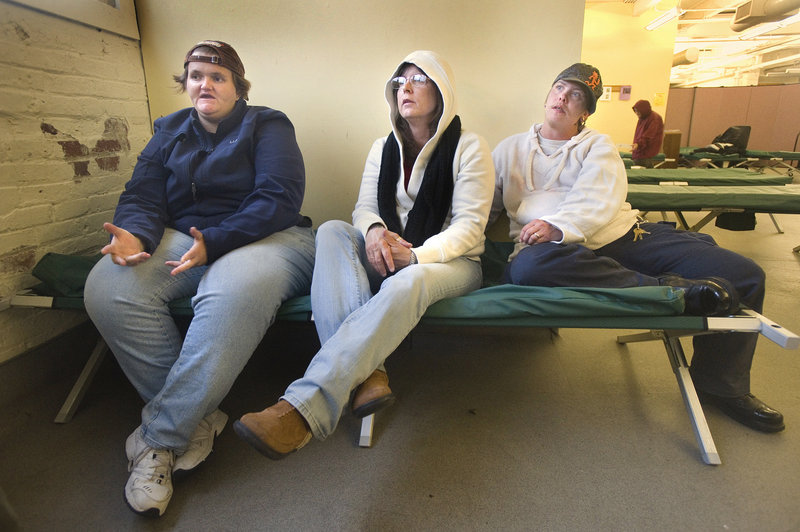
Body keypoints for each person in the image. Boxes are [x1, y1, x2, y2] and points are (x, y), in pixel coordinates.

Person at [83, 40, 315, 517]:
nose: (205, 83)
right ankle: (199, 419)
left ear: (237, 86)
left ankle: (159, 439)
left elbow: (279, 197)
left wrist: (218, 238)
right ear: (186, 84)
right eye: (196, 76)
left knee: (229, 289)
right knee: (107, 287)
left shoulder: (268, 124)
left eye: (218, 76)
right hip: (186, 239)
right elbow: (142, 195)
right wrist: (134, 235)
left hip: (266, 237)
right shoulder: (168, 130)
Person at [490, 63, 783, 434]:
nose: (564, 96)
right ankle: (677, 291)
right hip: (557, 257)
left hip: (623, 237)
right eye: (560, 88)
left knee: (746, 274)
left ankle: (720, 386)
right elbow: (485, 209)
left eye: (576, 94)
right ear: (549, 94)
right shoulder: (509, 149)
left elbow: (597, 201)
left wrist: (557, 226)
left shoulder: (598, 145)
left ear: (585, 111)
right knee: (527, 269)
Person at [233, 50, 495, 458]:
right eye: (399, 82)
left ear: (442, 91)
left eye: (418, 79)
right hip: (390, 253)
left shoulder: (470, 147)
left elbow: (469, 227)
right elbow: (364, 207)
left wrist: (417, 256)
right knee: (335, 230)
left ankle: (301, 410)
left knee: (412, 278)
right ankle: (369, 375)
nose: (404, 87)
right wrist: (374, 234)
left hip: (451, 262)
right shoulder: (382, 147)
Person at [631, 99, 664, 167]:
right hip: (640, 151)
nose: (637, 114)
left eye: (638, 112)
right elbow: (638, 135)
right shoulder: (643, 117)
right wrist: (637, 144)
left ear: (643, 110)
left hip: (647, 154)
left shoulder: (655, 118)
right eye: (636, 112)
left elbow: (649, 136)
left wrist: (638, 144)